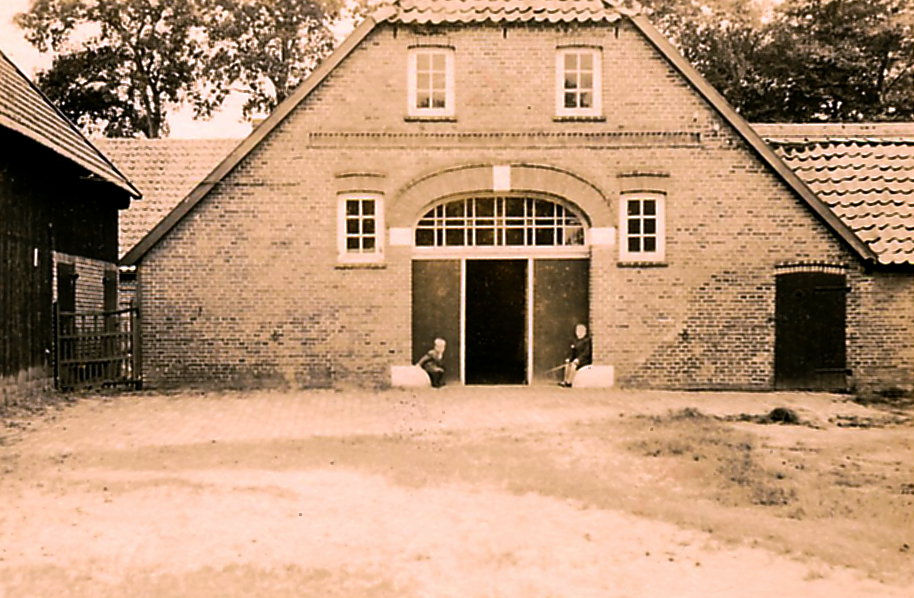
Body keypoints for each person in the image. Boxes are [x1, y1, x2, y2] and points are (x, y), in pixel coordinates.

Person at [561, 323, 592, 388]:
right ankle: (565, 380)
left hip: (583, 360)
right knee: (567, 365)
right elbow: (572, 352)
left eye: (580, 331)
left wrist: (578, 359)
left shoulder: (587, 341)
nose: (578, 333)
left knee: (573, 366)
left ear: (584, 332)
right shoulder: (574, 341)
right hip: (575, 359)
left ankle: (569, 382)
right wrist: (569, 359)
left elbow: (586, 353)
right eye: (577, 331)